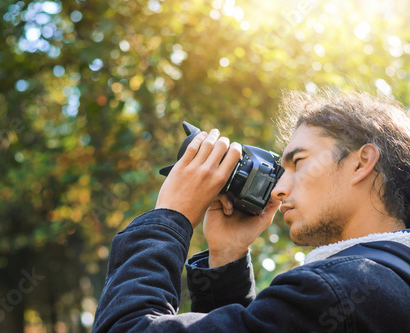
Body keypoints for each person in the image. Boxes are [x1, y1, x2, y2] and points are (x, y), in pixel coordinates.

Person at [92, 88, 410, 332]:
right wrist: (227, 259)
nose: (280, 189)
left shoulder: (338, 290)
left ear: (362, 162)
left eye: (298, 162)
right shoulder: (387, 284)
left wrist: (169, 216)